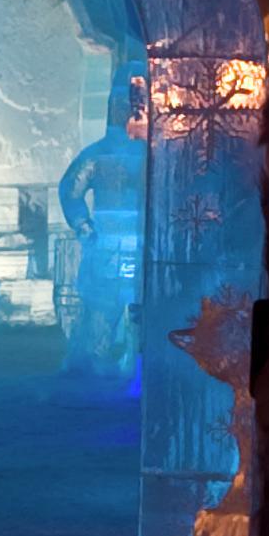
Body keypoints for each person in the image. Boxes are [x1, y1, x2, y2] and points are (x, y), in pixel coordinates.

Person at [55, 68, 152, 379]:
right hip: (108, 244)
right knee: (101, 308)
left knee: (142, 310)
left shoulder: (159, 153)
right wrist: (84, 227)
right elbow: (71, 189)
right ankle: (94, 370)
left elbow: (71, 189)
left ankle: (137, 367)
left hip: (144, 245)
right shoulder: (100, 154)